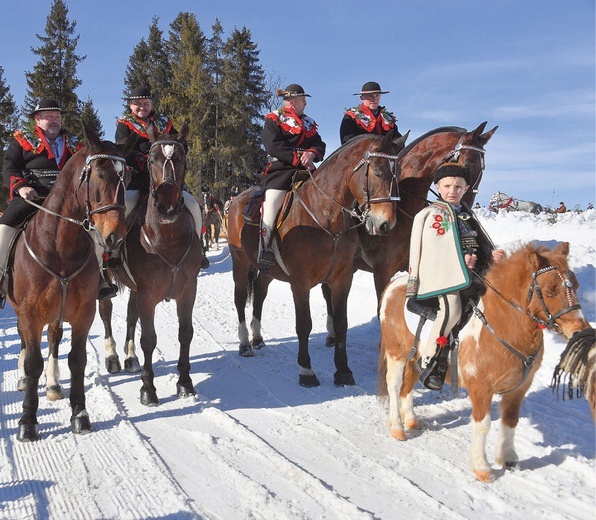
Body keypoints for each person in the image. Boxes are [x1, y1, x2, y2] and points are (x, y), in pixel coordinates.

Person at [406, 163, 506, 390]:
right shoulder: (432, 215)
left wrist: (491, 253)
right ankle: (430, 359)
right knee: (452, 309)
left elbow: (479, 242)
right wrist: (461, 262)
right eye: (448, 186)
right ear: (438, 187)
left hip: (473, 275)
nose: (453, 190)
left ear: (466, 188)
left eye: (459, 187)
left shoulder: (466, 214)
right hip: (443, 278)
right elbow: (434, 250)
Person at [0, 99, 109, 304]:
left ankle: (101, 277)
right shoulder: (22, 141)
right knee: (4, 227)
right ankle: (0, 277)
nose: (54, 121)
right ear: (37, 120)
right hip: (33, 196)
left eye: (57, 117)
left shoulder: (75, 143)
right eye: (48, 117)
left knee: (96, 229)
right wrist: (21, 187)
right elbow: (10, 168)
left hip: (68, 201)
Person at [115, 87, 203, 244]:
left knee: (193, 205)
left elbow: (181, 142)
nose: (142, 107)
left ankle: (198, 243)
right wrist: (143, 159)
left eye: (145, 103)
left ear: (151, 104)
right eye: (138, 103)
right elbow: (123, 150)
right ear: (131, 105)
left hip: (165, 177)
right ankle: (115, 248)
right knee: (125, 205)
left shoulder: (163, 123)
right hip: (138, 180)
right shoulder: (125, 125)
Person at [258, 84, 326, 271]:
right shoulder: (274, 119)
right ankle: (264, 249)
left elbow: (320, 143)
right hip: (281, 171)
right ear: (293, 102)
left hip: (307, 171)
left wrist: (312, 153)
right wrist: (298, 159)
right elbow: (272, 146)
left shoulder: (309, 123)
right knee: (271, 203)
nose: (305, 103)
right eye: (303, 99)